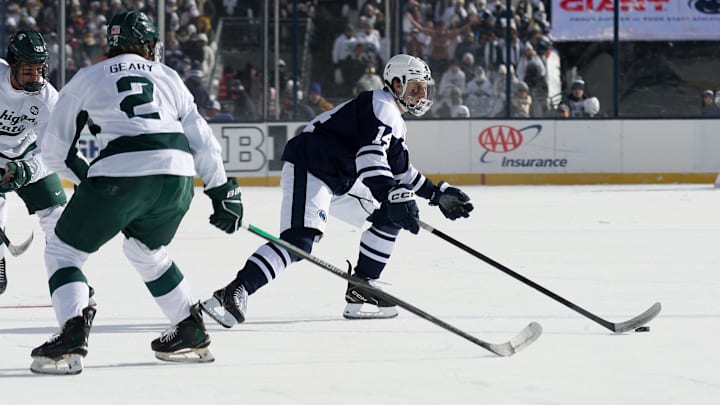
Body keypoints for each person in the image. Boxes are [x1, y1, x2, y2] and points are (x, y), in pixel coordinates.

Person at [30, 10, 243, 375]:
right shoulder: (169, 75)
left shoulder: (87, 76)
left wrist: (87, 178)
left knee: (63, 251)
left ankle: (72, 334)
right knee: (146, 250)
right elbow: (203, 141)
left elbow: (53, 151)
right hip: (178, 176)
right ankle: (190, 328)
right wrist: (222, 189)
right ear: (147, 45)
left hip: (123, 173)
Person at [200, 54, 474, 327]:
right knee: (299, 242)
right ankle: (234, 291)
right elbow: (371, 158)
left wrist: (437, 195)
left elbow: (402, 171)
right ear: (396, 84)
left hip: (341, 178)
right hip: (313, 166)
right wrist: (390, 193)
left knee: (388, 214)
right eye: (414, 88)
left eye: (423, 90)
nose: (420, 96)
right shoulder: (381, 106)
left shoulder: (393, 120)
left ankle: (362, 287)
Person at [0, 30, 68, 296]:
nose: (35, 77)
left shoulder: (49, 99)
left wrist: (29, 169)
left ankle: (67, 274)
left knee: (57, 216)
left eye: (40, 69)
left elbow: (55, 152)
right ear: (13, 65)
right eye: (28, 70)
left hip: (27, 154)